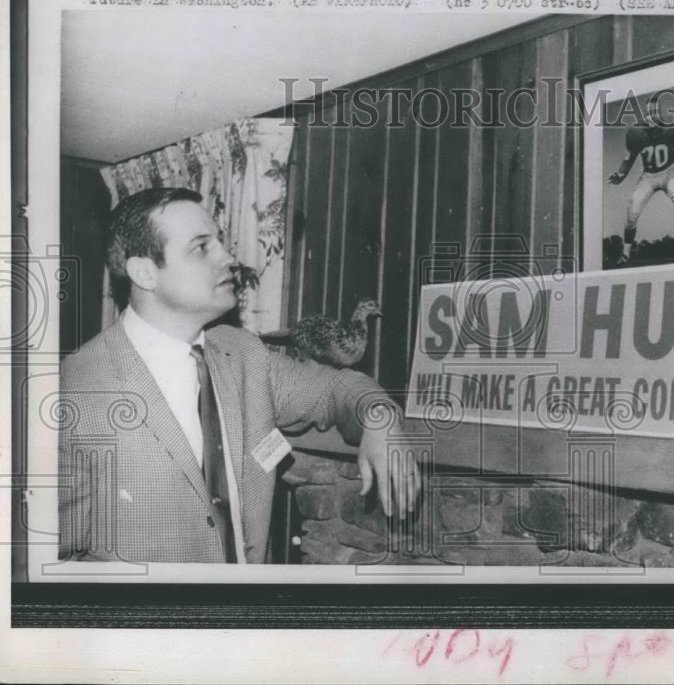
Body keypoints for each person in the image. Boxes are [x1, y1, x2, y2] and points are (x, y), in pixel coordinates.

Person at [58, 187, 419, 563]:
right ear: (145, 273)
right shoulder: (76, 388)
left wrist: (381, 421)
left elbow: (335, 388)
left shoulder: (243, 353)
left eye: (221, 242)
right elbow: (57, 562)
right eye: (202, 247)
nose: (230, 258)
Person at [608, 93, 674, 265]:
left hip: (669, 171)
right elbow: (629, 159)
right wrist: (620, 175)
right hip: (648, 176)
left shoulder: (672, 127)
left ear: (661, 113)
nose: (652, 116)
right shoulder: (636, 134)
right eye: (648, 113)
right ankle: (625, 255)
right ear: (644, 116)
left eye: (655, 112)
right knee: (631, 213)